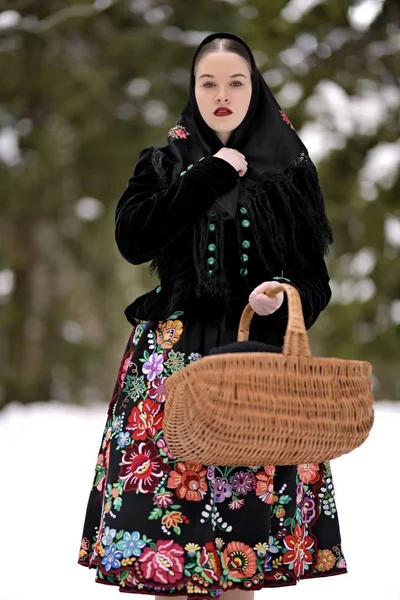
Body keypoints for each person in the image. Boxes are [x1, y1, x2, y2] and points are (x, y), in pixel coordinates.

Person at [77, 32, 347, 600]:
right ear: (193, 89)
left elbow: (316, 282)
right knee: (170, 553)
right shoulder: (164, 161)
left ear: (255, 88)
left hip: (255, 369)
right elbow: (133, 239)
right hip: (171, 372)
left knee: (241, 554)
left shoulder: (291, 169)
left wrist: (283, 294)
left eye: (235, 82)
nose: (222, 94)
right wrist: (211, 173)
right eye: (208, 83)